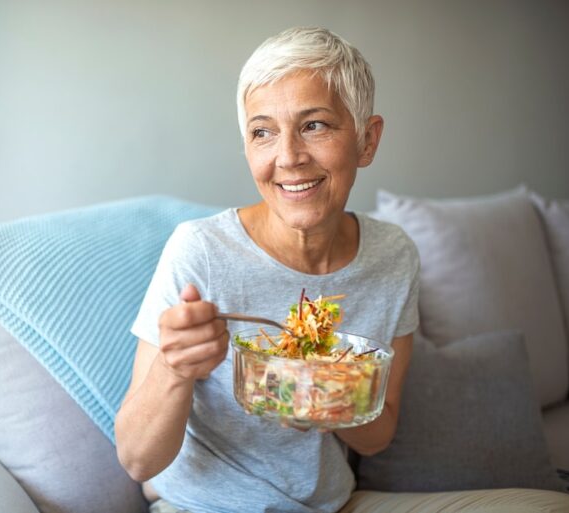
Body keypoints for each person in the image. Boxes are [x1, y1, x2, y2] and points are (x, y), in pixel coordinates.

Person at [114, 26, 419, 513]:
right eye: (263, 132)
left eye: (315, 125)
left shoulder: (393, 255)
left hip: (334, 504)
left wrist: (319, 394)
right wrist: (174, 368)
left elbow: (379, 436)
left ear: (366, 139)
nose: (289, 157)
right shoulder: (202, 251)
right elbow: (137, 460)